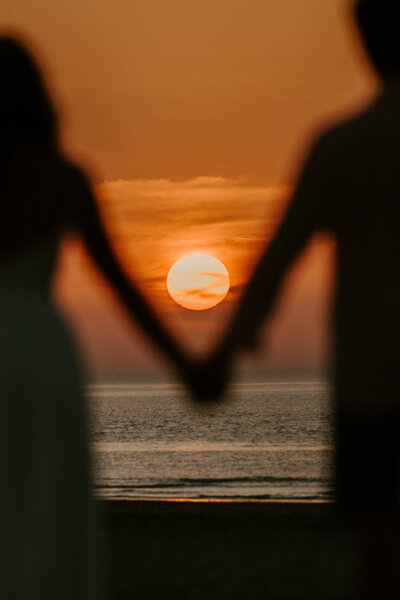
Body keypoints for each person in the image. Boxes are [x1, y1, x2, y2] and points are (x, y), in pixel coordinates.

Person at [193, 1, 400, 597]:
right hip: (369, 380)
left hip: (370, 379)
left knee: (379, 550)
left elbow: (279, 256)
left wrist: (228, 350)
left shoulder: (341, 146)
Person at [0, 34, 191, 599]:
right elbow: (123, 288)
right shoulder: (63, 178)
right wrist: (188, 367)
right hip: (41, 349)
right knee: (42, 510)